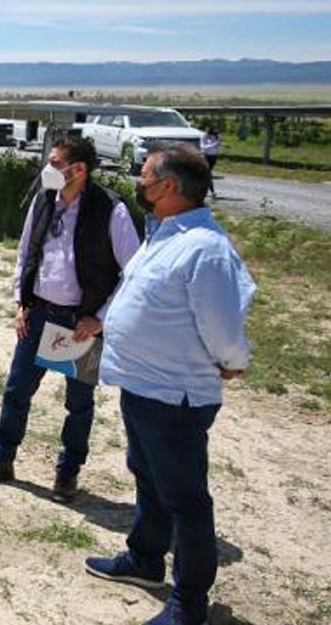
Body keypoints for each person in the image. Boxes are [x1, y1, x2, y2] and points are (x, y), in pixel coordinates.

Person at [84, 144, 255, 625]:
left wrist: (232, 361)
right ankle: (144, 559)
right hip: (143, 387)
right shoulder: (164, 233)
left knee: (185, 498)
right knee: (149, 479)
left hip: (176, 396)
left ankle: (189, 605)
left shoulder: (206, 248)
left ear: (169, 186)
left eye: (144, 175)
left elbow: (222, 327)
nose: (138, 182)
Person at [0, 134, 141, 502]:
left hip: (77, 324)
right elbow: (25, 253)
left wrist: (100, 318)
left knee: (77, 405)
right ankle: (1, 459)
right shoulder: (44, 199)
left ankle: (67, 474)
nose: (47, 169)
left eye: (55, 163)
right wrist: (21, 301)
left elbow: (134, 273)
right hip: (37, 315)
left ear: (78, 169)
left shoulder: (110, 210)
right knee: (16, 392)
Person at [200, 127, 221, 199]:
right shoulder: (204, 136)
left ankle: (202, 189)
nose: (217, 132)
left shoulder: (217, 136)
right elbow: (203, 147)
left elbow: (217, 147)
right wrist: (214, 144)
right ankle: (213, 192)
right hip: (206, 156)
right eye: (215, 130)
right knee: (208, 174)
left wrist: (221, 146)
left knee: (206, 175)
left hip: (214, 157)